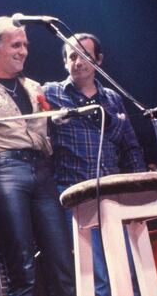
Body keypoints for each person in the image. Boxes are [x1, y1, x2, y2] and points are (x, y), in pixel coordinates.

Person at [0, 16, 75, 296]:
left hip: (42, 170)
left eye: (25, 45)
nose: (23, 51)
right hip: (4, 171)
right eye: (16, 45)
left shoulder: (34, 87)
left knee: (62, 259)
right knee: (21, 264)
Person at [44, 33, 147, 296]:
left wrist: (141, 193)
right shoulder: (51, 92)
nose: (78, 62)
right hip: (74, 195)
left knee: (127, 269)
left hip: (113, 195)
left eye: (85, 55)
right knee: (98, 277)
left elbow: (130, 147)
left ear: (99, 60)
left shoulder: (112, 98)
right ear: (65, 62)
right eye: (72, 56)